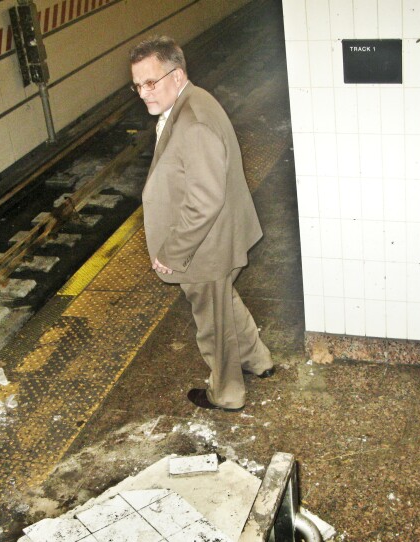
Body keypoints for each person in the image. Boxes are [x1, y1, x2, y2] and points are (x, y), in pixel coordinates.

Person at [129, 35, 274, 412]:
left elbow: (204, 200)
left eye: (151, 82)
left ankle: (226, 393)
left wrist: (172, 253)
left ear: (176, 76)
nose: (143, 93)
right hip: (218, 237)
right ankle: (259, 360)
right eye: (137, 85)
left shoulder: (192, 122)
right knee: (223, 300)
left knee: (213, 325)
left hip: (204, 246)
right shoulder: (195, 100)